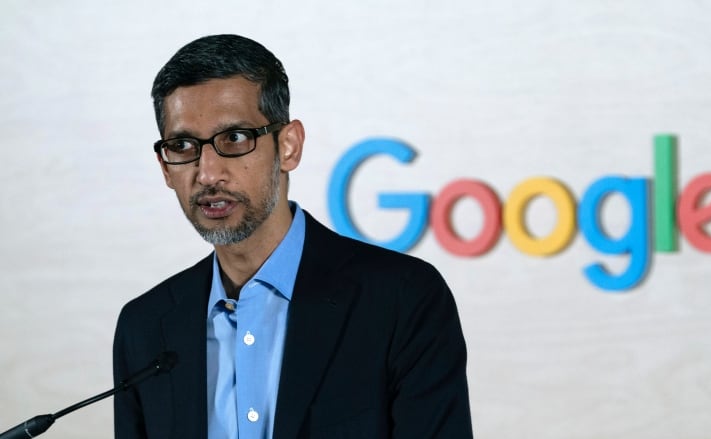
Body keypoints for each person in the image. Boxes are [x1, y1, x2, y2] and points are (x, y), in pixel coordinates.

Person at [112, 34, 472, 439]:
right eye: (182, 146)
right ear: (164, 168)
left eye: (234, 138)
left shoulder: (403, 299)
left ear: (289, 146)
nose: (208, 173)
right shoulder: (144, 327)